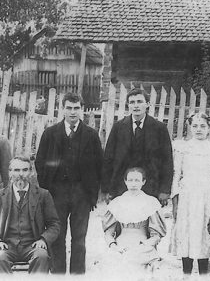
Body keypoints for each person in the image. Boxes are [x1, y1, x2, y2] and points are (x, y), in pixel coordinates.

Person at [35, 92, 103, 274]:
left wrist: (92, 195)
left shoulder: (91, 135)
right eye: (69, 108)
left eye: (76, 108)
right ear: (62, 109)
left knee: (79, 238)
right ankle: (58, 273)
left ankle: (77, 274)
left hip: (82, 193)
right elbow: (40, 162)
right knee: (57, 236)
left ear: (82, 110)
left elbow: (99, 166)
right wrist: (46, 191)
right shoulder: (50, 133)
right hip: (56, 193)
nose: (73, 112)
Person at [171, 112, 210, 275]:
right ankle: (186, 273)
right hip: (187, 194)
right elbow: (176, 174)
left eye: (203, 126)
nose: (198, 129)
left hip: (207, 195)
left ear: (209, 128)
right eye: (195, 126)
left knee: (205, 230)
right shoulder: (182, 148)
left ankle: (204, 273)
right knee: (187, 230)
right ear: (190, 127)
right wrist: (175, 200)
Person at [102, 88, 173, 206]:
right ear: (128, 105)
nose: (136, 106)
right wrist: (107, 189)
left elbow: (167, 161)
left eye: (139, 101)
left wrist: (164, 190)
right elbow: (108, 159)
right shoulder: (118, 128)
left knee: (147, 222)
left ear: (147, 104)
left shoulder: (159, 128)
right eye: (132, 102)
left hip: (151, 186)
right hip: (122, 186)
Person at [102, 167, 166, 278]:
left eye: (137, 180)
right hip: (120, 245)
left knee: (133, 262)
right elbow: (108, 233)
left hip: (143, 246)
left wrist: (143, 245)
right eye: (130, 180)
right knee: (111, 263)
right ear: (125, 181)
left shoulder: (151, 202)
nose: (133, 184)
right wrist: (114, 246)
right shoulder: (117, 202)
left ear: (143, 182)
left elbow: (156, 236)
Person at [0, 156, 60, 273]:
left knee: (41, 256)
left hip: (33, 246)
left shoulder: (43, 195)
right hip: (7, 246)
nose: (21, 174)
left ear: (31, 172)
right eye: (16, 170)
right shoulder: (1, 196)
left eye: (25, 170)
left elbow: (54, 224)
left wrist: (43, 240)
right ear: (10, 172)